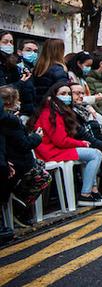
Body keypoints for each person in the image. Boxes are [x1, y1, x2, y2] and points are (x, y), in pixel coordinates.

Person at [32, 81, 102, 207]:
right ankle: (86, 194)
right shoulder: (50, 113)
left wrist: (80, 143)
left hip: (54, 149)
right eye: (63, 93)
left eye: (68, 93)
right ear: (53, 95)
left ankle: (92, 191)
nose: (67, 96)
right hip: (50, 152)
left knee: (93, 153)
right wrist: (81, 143)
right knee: (95, 154)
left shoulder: (56, 110)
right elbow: (60, 141)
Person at [0, 86, 51, 224]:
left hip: (12, 160)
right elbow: (24, 144)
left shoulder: (9, 119)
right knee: (44, 177)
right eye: (18, 100)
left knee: (40, 164)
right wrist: (37, 137)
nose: (20, 103)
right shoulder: (12, 121)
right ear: (11, 102)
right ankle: (21, 205)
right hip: (17, 163)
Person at [69, 83, 102, 199]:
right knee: (96, 135)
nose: (81, 96)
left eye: (82, 93)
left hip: (89, 138)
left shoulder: (83, 108)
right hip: (77, 141)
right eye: (77, 93)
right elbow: (80, 133)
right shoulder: (70, 112)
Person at [32, 39, 68, 105]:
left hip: (38, 106)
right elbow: (63, 91)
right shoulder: (59, 70)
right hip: (52, 106)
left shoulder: (38, 68)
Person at [15, 39, 38, 116]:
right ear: (19, 52)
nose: (33, 53)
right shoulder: (17, 67)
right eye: (28, 50)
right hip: (22, 112)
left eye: (35, 51)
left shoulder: (31, 69)